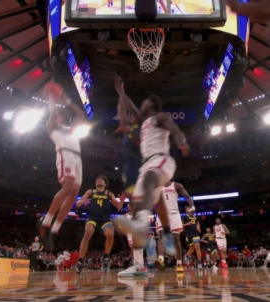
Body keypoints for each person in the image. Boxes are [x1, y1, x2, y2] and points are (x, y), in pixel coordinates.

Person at [113, 75, 190, 258]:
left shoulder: (159, 116)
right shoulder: (143, 121)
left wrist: (182, 142)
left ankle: (141, 225)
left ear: (151, 105)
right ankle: (164, 235)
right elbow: (130, 107)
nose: (140, 105)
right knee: (149, 200)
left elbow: (175, 129)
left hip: (162, 160)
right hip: (147, 165)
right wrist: (120, 92)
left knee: (149, 181)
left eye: (144, 103)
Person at [38, 81, 85, 251]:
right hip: (65, 154)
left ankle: (56, 227)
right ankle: (46, 221)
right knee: (67, 188)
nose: (59, 117)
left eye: (61, 116)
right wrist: (52, 96)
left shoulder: (69, 129)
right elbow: (53, 112)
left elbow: (80, 115)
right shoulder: (52, 127)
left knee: (73, 195)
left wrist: (65, 98)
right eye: (58, 116)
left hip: (77, 158)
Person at [75, 175, 126, 274]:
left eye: (102, 179)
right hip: (92, 218)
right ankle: (80, 262)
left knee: (110, 234)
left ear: (105, 184)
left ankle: (105, 257)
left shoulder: (108, 193)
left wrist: (122, 201)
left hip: (105, 219)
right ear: (95, 183)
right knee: (87, 233)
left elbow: (119, 206)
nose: (99, 180)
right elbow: (78, 203)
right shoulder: (91, 191)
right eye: (98, 179)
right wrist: (81, 202)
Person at [155, 181, 195, 273]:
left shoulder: (176, 185)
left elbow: (187, 196)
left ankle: (179, 263)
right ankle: (160, 259)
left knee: (176, 238)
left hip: (174, 213)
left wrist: (192, 205)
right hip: (162, 212)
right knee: (161, 235)